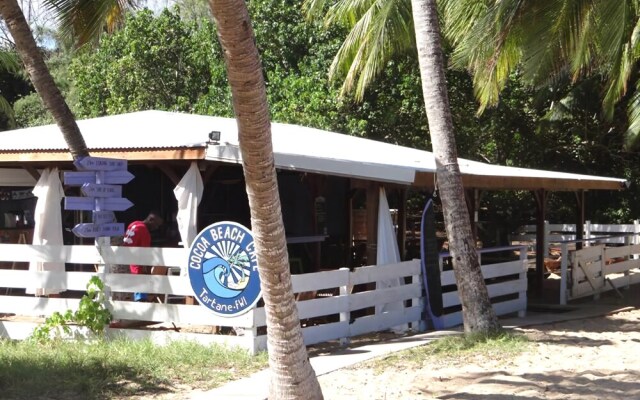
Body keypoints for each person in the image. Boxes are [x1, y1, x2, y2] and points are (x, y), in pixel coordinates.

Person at [123, 211, 164, 302]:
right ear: (151, 220)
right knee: (141, 297)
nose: (156, 228)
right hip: (137, 265)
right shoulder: (144, 232)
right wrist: (149, 272)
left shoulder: (133, 224)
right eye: (156, 224)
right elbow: (146, 254)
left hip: (125, 261)